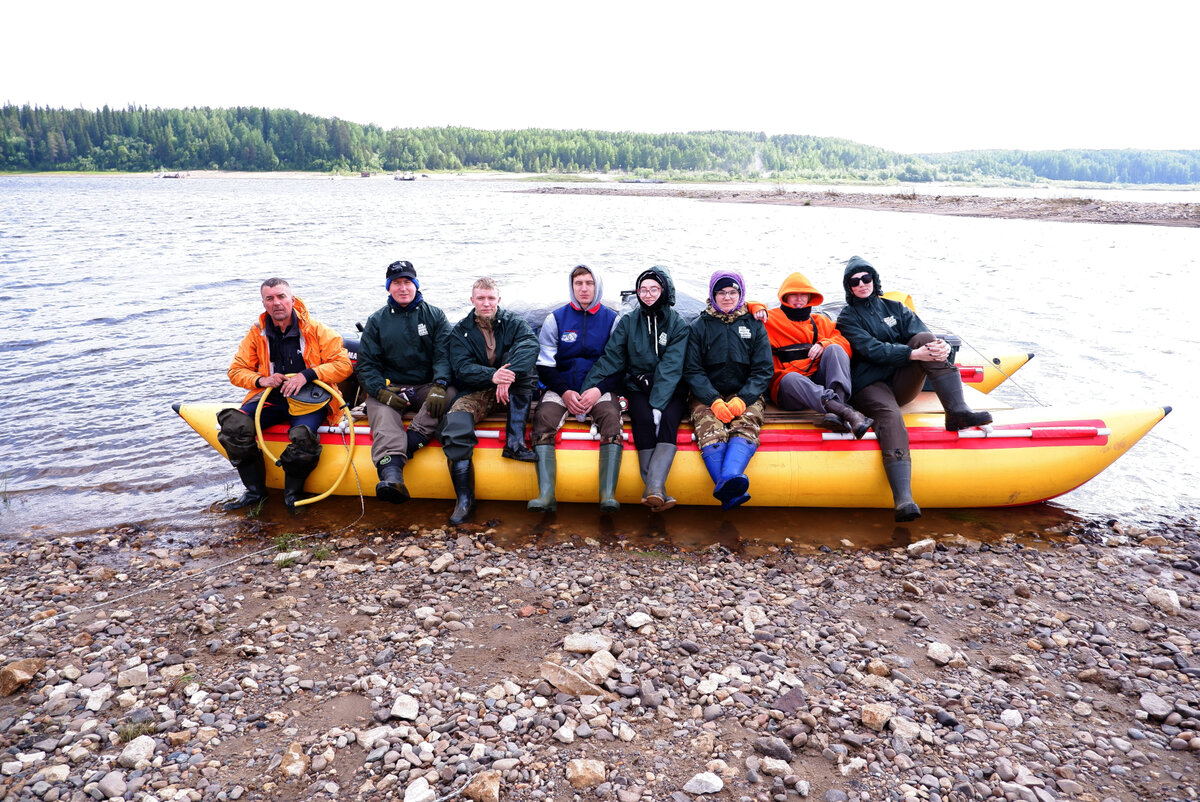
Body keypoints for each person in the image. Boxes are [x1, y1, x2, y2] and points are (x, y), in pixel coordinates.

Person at [836, 256, 993, 522]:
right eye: (855, 281)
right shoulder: (847, 317)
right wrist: (912, 355)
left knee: (926, 339)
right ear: (848, 287)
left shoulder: (895, 308)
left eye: (866, 278)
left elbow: (922, 335)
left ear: (875, 280)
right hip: (868, 385)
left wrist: (939, 347)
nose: (862, 284)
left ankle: (957, 412)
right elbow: (871, 349)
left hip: (900, 383)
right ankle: (904, 500)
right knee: (891, 415)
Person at [219, 278, 352, 510]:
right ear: (264, 303)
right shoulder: (257, 333)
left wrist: (307, 375)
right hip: (271, 398)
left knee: (302, 437)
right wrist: (262, 380)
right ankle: (255, 493)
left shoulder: (317, 330)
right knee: (233, 427)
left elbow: (343, 365)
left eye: (281, 296)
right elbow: (235, 371)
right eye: (269, 298)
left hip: (311, 400)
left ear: (292, 299)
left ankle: (293, 494)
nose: (276, 303)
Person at [582, 266, 689, 510]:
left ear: (664, 291)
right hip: (638, 384)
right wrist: (588, 388)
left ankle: (652, 488)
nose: (648, 294)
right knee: (642, 418)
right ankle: (657, 491)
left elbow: (671, 366)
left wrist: (659, 405)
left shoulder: (677, 324)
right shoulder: (629, 322)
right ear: (638, 292)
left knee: (669, 420)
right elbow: (612, 358)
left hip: (672, 387)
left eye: (654, 289)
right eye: (643, 289)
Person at [441, 277, 539, 525]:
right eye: (481, 298)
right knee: (455, 424)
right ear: (472, 300)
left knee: (526, 371)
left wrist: (507, 375)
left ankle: (515, 443)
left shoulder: (514, 322)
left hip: (512, 389)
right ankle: (465, 499)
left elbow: (530, 344)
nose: (486, 303)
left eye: (491, 298)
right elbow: (462, 368)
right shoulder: (460, 331)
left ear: (499, 299)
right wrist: (492, 376)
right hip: (480, 390)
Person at [356, 260, 454, 503]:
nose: (403, 288)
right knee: (379, 409)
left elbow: (445, 355)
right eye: (397, 283)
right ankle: (392, 477)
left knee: (451, 394)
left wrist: (440, 384)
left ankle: (411, 442)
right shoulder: (377, 320)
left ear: (416, 285)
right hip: (392, 386)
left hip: (426, 385)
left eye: (407, 282)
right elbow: (367, 364)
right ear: (389, 287)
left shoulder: (434, 315)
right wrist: (380, 391)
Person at [528, 265, 623, 513]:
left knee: (611, 418)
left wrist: (596, 390)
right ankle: (546, 495)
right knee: (542, 417)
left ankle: (607, 496)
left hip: (598, 387)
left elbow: (619, 365)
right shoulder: (555, 319)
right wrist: (565, 392)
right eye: (578, 283)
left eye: (589, 283)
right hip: (563, 386)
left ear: (597, 286)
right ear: (571, 286)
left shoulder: (613, 320)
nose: (584, 288)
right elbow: (545, 365)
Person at [684, 271, 773, 510]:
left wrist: (744, 399)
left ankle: (730, 476)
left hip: (745, 392)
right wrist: (712, 400)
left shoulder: (754, 325)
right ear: (713, 295)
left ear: (741, 293)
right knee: (708, 426)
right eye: (721, 293)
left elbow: (763, 369)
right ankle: (731, 491)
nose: (727, 297)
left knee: (747, 423)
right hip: (706, 394)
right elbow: (692, 370)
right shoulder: (699, 326)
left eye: (732, 292)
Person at [749, 272, 873, 438]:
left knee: (835, 348)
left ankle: (836, 412)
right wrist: (756, 307)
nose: (799, 299)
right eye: (793, 294)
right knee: (791, 378)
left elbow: (844, 344)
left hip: (816, 381)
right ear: (784, 296)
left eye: (803, 295)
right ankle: (847, 412)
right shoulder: (769, 319)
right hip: (788, 388)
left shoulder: (820, 321)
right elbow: (736, 306)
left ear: (810, 298)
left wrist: (824, 344)